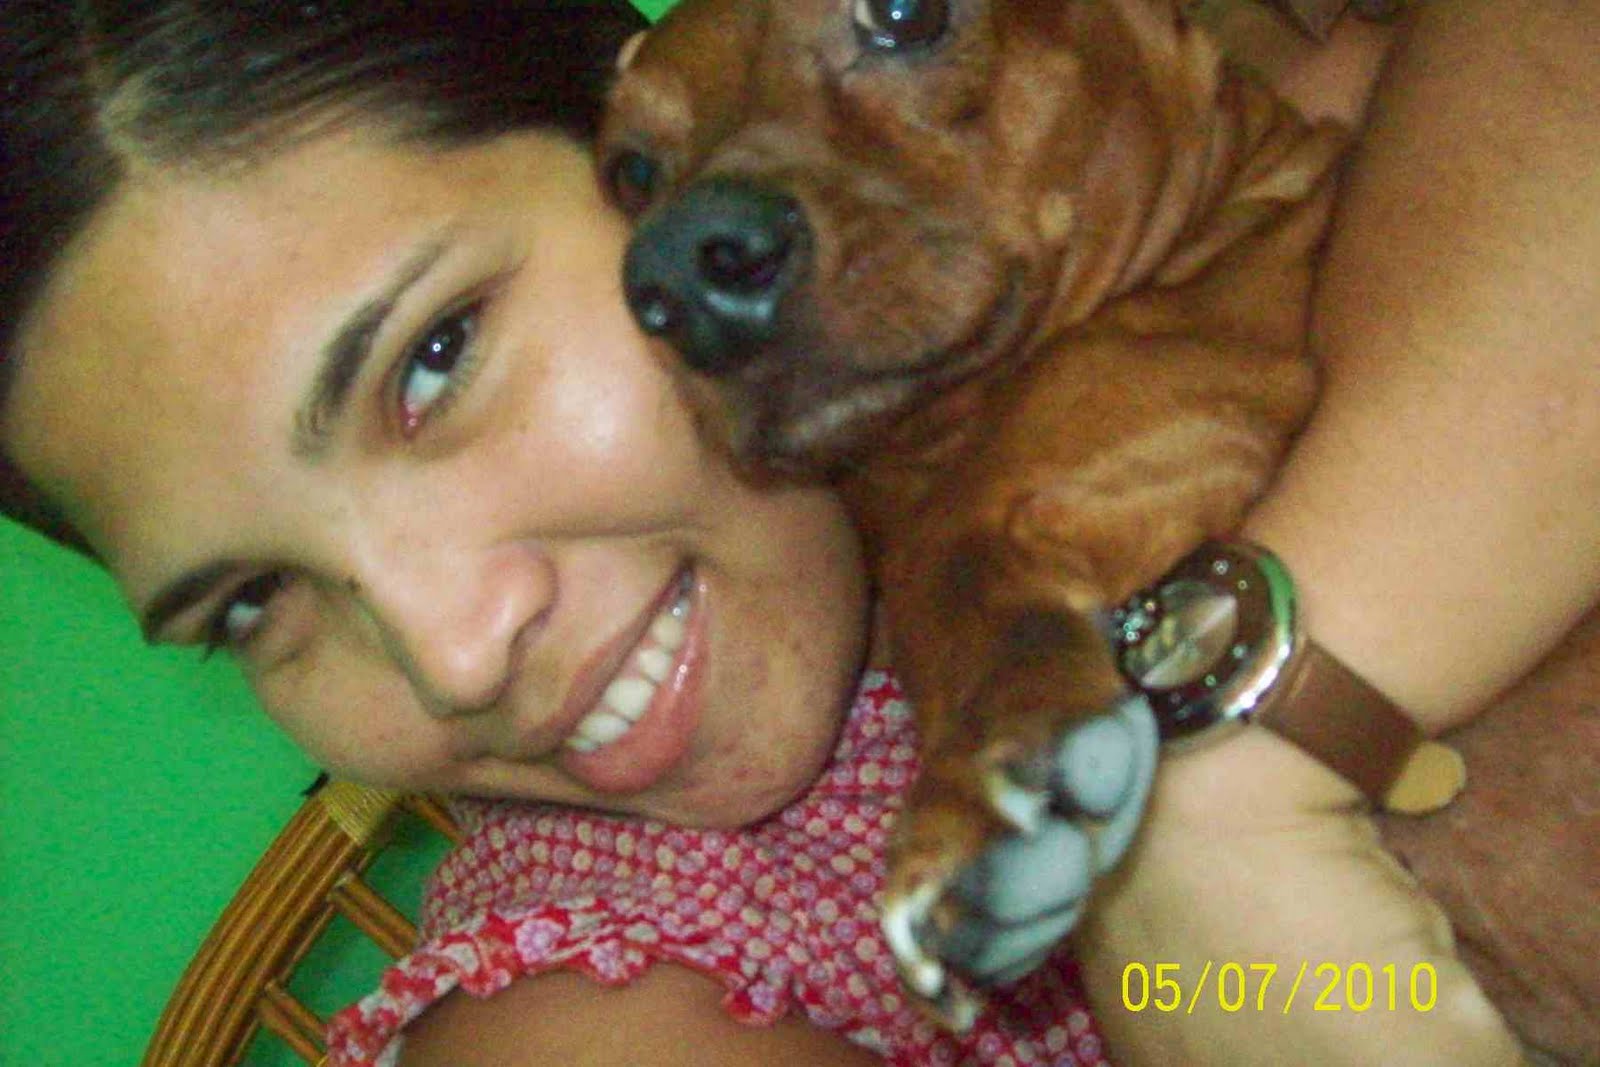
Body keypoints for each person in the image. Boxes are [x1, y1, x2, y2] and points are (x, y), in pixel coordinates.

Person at [0, 0, 1593, 1064]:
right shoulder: (604, 1005)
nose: (453, 653)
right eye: (251, 601)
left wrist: (1232, 781)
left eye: (436, 356)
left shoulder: (1091, 232)